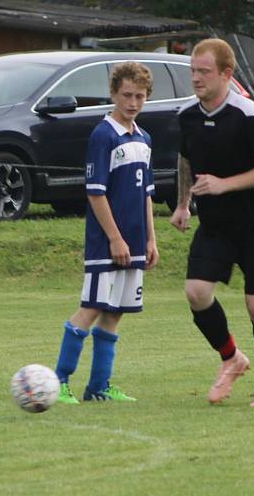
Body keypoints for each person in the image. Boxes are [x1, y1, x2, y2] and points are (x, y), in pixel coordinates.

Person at [170, 38, 254, 408]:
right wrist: (182, 203)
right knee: (196, 293)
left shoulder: (249, 115)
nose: (196, 78)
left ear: (226, 73)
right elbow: (186, 159)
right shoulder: (187, 116)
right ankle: (231, 358)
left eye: (204, 71)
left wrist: (225, 184)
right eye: (192, 71)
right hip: (217, 224)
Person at [54, 61, 159, 404]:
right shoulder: (104, 135)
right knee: (92, 307)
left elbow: (145, 194)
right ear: (113, 94)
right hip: (107, 243)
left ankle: (99, 387)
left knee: (115, 313)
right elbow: (96, 192)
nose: (132, 102)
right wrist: (114, 237)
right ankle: (59, 381)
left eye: (139, 96)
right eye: (126, 95)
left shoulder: (144, 139)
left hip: (135, 243)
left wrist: (150, 239)